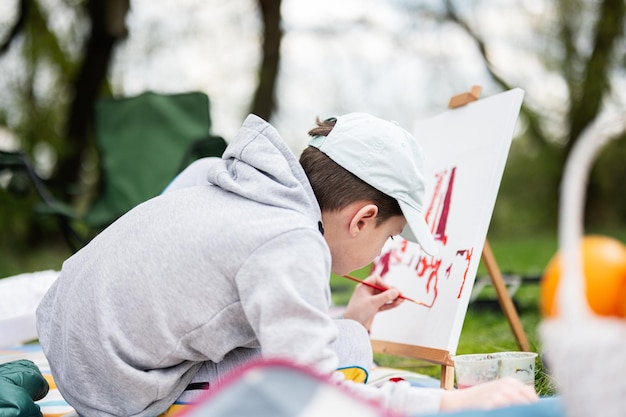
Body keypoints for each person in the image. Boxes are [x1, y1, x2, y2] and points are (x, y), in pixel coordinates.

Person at [36, 113, 537, 416]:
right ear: (362, 219)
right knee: (346, 362)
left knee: (345, 338)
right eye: (388, 240)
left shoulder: (236, 182)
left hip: (68, 335)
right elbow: (314, 394)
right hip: (114, 393)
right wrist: (449, 403)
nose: (384, 255)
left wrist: (351, 322)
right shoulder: (288, 241)